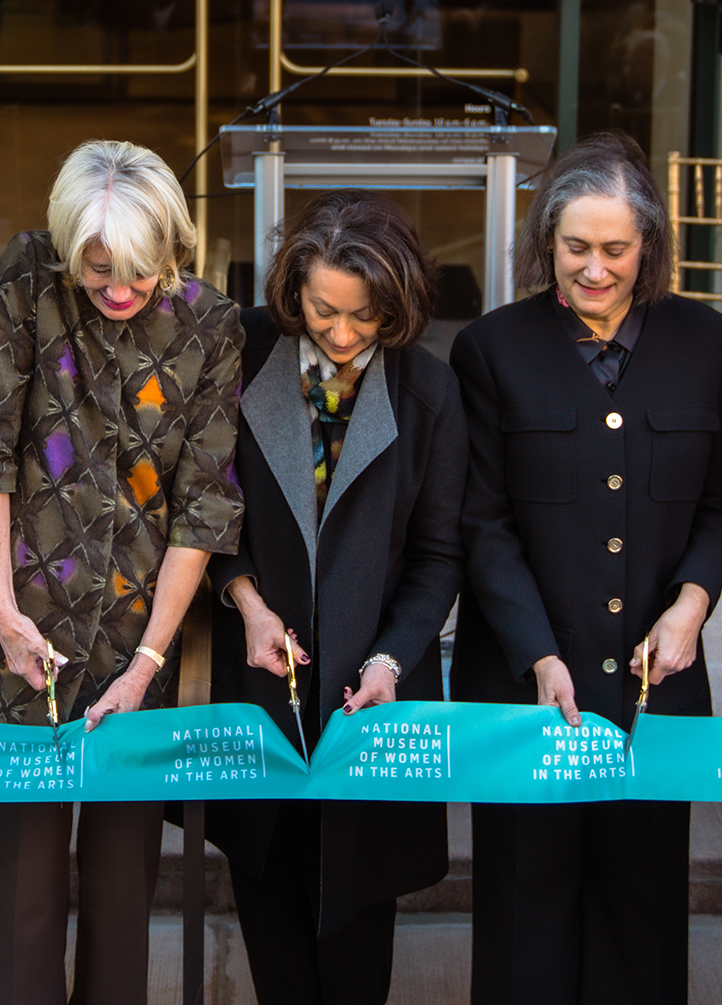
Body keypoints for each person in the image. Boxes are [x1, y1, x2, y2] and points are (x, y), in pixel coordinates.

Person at [0, 138, 243, 1005]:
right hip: (21, 641)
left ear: (172, 242)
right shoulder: (28, 275)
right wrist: (0, 608)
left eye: (139, 270)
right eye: (99, 273)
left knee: (120, 901)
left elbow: (205, 505)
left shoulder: (211, 324)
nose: (121, 292)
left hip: (142, 640)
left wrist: (146, 665)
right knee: (23, 908)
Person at [449, 130, 722, 1005]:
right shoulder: (490, 348)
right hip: (523, 682)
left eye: (616, 249)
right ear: (547, 241)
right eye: (576, 247)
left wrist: (693, 602)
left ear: (648, 244)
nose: (595, 269)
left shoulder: (711, 343)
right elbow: (483, 523)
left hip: (660, 690)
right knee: (522, 919)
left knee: (642, 916)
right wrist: (540, 653)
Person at [206, 191, 465, 1005]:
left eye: (367, 316)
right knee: (269, 898)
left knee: (357, 932)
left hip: (371, 690)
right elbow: (202, 501)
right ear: (294, 290)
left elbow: (437, 555)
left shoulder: (429, 391)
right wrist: (243, 596)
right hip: (259, 679)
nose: (344, 333)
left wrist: (392, 656)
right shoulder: (241, 353)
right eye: (324, 310)